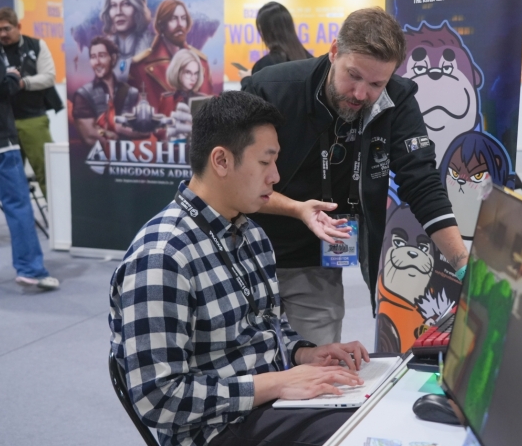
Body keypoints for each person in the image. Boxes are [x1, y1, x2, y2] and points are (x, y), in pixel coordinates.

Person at [109, 91, 369, 446]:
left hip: (269, 407)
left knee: (371, 405)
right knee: (357, 434)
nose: (275, 176)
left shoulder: (252, 234)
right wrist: (278, 382)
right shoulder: (161, 257)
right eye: (265, 162)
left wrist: (305, 353)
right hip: (214, 430)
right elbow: (159, 399)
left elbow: (268, 329)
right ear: (221, 161)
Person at [242, 7, 470, 346]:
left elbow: (422, 183)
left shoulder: (396, 100)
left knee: (319, 360)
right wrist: (297, 209)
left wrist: (462, 264)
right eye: (353, 76)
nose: (361, 94)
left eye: (376, 83)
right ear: (335, 51)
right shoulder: (271, 89)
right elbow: (237, 182)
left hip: (316, 262)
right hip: (249, 252)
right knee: (249, 356)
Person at [0, 46, 58, 290]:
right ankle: (30, 268)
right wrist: (12, 76)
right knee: (18, 205)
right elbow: (0, 87)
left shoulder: (35, 45)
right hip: (1, 141)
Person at [0, 7, 63, 199]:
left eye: (7, 29)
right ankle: (20, 217)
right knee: (8, 178)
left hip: (33, 118)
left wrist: (22, 82)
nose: (2, 34)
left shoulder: (36, 45)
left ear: (18, 26)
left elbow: (49, 77)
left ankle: (57, 214)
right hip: (2, 125)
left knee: (46, 172)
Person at [129, 0, 212, 107]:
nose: (180, 24)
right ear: (161, 25)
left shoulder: (201, 62)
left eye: (183, 18)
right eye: (173, 19)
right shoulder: (139, 67)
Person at [71, 37, 140, 146]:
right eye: (93, 57)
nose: (97, 62)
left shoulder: (131, 92)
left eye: (102, 56)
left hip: (130, 154)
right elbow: (89, 135)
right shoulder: (83, 95)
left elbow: (144, 130)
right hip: (97, 155)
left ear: (113, 58)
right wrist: (104, 132)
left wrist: (116, 127)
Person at [238, 2, 312, 82]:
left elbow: (256, 90)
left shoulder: (264, 66)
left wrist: (247, 79)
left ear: (264, 31)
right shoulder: (312, 61)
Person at [100, 0, 153, 82]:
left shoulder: (153, 45)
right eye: (113, 5)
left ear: (137, 7)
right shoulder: (103, 49)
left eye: (126, 4)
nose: (118, 12)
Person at [158, 48, 205, 117]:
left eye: (196, 73)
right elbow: (161, 123)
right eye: (188, 72)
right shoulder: (166, 100)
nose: (193, 78)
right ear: (177, 72)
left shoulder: (202, 100)